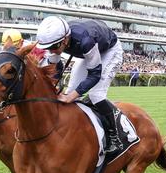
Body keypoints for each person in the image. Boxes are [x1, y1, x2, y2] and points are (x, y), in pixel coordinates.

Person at [36, 16, 124, 153]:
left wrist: (71, 96)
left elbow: (95, 74)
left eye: (53, 47)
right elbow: (54, 66)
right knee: (71, 92)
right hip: (90, 50)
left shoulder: (85, 41)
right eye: (48, 47)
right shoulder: (56, 41)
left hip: (109, 50)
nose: (51, 50)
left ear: (65, 39)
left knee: (96, 95)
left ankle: (116, 137)